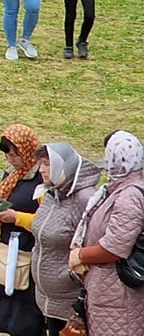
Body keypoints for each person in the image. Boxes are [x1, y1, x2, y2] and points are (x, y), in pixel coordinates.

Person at [67, 130, 143, 336]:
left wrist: (80, 255)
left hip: (119, 298)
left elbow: (116, 247)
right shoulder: (116, 191)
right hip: (107, 293)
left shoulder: (129, 196)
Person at [0, 125, 45, 336]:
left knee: (25, 320)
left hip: (26, 253)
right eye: (6, 153)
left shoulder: (41, 180)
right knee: (8, 315)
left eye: (13, 153)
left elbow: (46, 220)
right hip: (5, 250)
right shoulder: (12, 175)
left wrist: (16, 218)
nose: (9, 158)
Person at [30, 141, 99, 336]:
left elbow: (92, 245)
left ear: (63, 166)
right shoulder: (51, 193)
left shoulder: (85, 198)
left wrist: (71, 277)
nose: (41, 170)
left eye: (47, 164)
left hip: (71, 301)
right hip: (47, 299)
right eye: (40, 164)